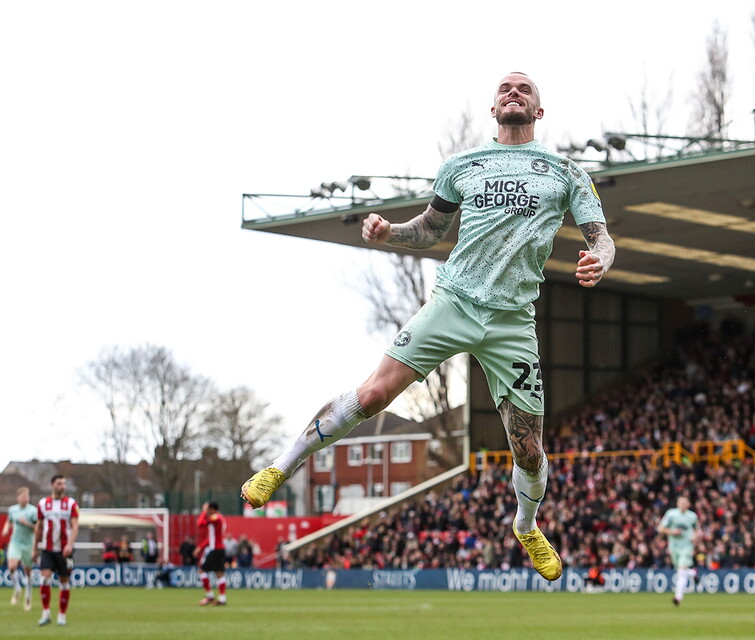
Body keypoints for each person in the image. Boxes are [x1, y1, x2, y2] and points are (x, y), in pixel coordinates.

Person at [241, 71, 615, 582]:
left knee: (529, 449)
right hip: (454, 301)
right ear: (493, 108)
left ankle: (526, 525)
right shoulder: (462, 166)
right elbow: (431, 229)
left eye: (523, 89)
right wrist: (389, 231)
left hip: (512, 320)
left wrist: (599, 259)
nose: (512, 93)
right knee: (374, 394)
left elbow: (603, 237)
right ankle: (280, 466)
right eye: (505, 88)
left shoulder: (566, 172)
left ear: (538, 111)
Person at [32, 475, 79, 627]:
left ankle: (62, 615)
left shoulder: (71, 504)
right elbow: (39, 527)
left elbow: (75, 526)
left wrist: (70, 545)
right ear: (52, 485)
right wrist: (35, 548)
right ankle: (45, 613)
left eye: (64, 484)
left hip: (64, 550)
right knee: (44, 578)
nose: (62, 486)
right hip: (48, 548)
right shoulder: (43, 504)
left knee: (64, 581)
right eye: (59, 483)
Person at [657, 495, 700, 606]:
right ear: (677, 504)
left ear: (689, 504)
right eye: (681, 502)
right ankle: (692, 573)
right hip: (674, 547)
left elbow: (698, 531)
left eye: (685, 502)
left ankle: (678, 597)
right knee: (681, 571)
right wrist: (672, 532)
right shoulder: (671, 514)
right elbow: (660, 528)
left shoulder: (692, 516)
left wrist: (695, 538)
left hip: (687, 547)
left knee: (681, 571)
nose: (683, 504)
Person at [3, 487, 38, 611]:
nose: (25, 498)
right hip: (15, 542)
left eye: (27, 496)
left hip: (29, 544)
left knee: (28, 572)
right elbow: (9, 521)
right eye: (23, 496)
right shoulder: (13, 510)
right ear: (18, 497)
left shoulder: (33, 511)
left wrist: (26, 523)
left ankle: (28, 596)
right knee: (12, 566)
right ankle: (17, 588)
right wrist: (6, 528)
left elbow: (37, 528)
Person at [193, 502, 228, 605]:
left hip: (216, 549)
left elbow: (200, 523)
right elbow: (210, 538)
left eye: (208, 509)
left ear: (212, 509)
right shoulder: (219, 518)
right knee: (219, 573)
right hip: (220, 549)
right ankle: (222, 599)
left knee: (201, 571)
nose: (207, 511)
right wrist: (200, 547)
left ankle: (210, 595)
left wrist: (204, 512)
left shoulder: (215, 517)